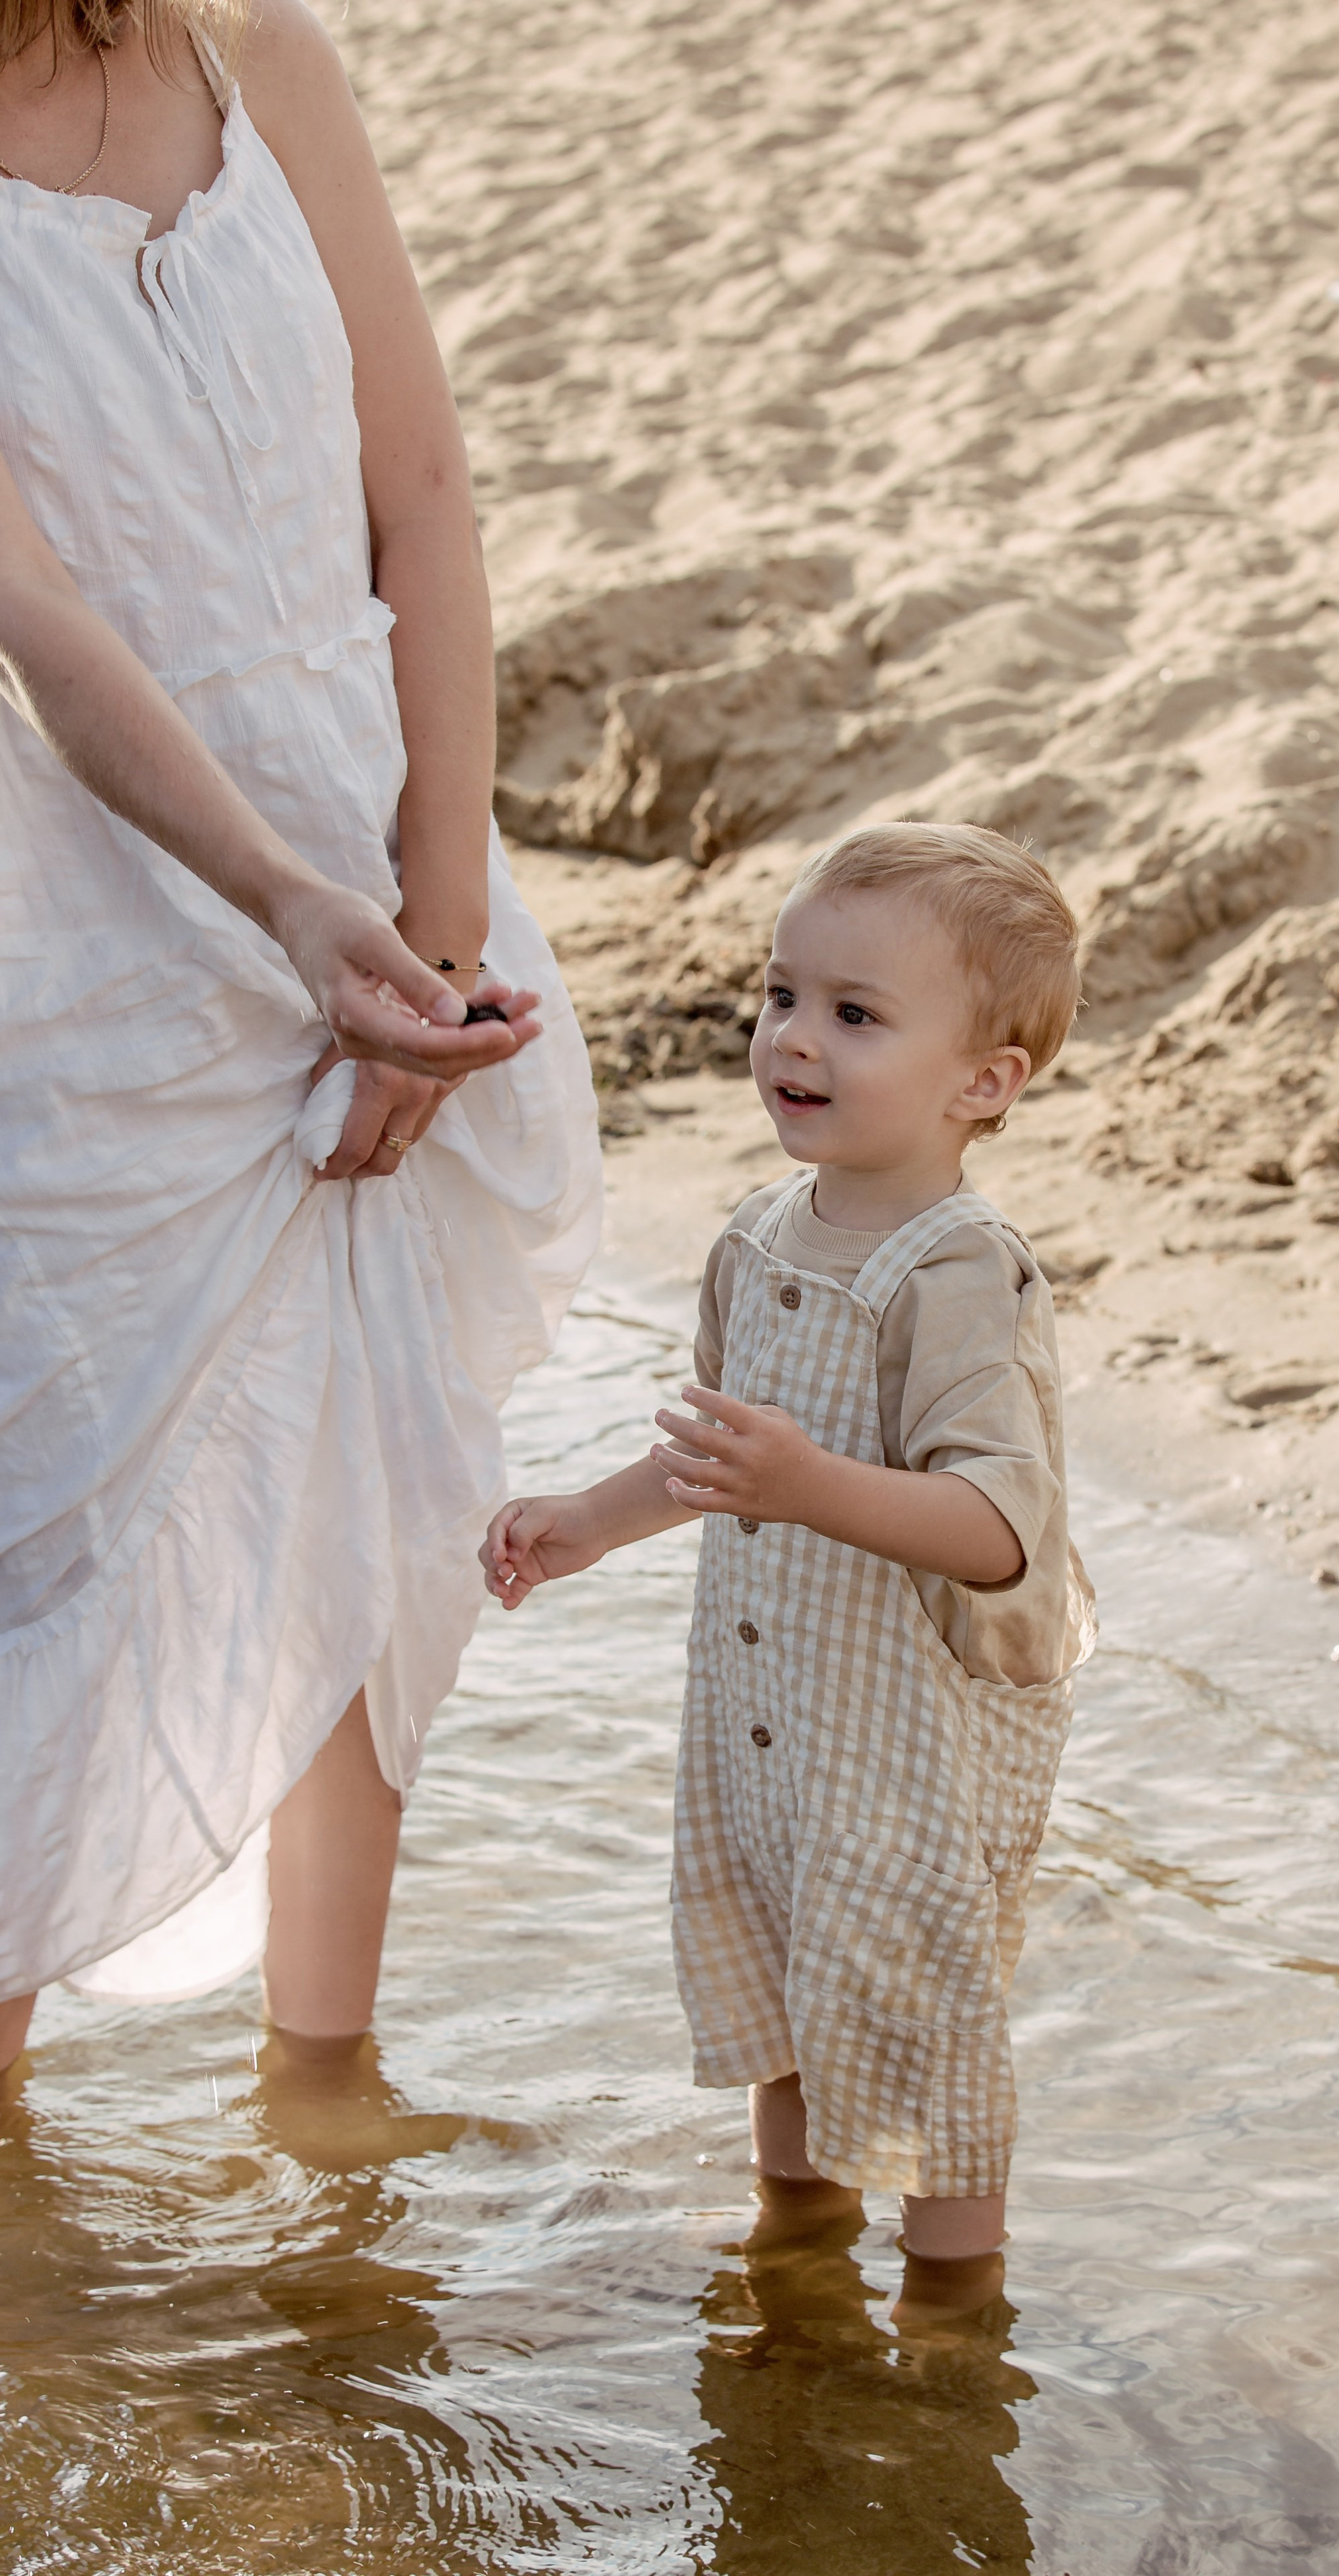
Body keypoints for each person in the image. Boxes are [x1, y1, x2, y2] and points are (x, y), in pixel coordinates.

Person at [0, 0, 602, 2071]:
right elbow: (44, 616)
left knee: (379, 1496)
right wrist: (293, 913)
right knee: (49, 1556)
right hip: (103, 959)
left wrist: (435, 925)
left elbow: (419, 485)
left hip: (397, 879)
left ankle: (328, 2114)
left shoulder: (262, 50)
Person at [483, 823, 1094, 2317]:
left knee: (925, 2015)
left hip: (910, 1751)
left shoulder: (957, 1271)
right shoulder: (758, 1237)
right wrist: (589, 1518)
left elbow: (1000, 1528)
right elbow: (720, 1455)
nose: (792, 1041)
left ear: (981, 1083)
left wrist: (811, 1486)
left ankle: (957, 2316)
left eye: (855, 1015)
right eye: (779, 997)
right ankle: (796, 2260)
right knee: (780, 1988)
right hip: (772, 1733)